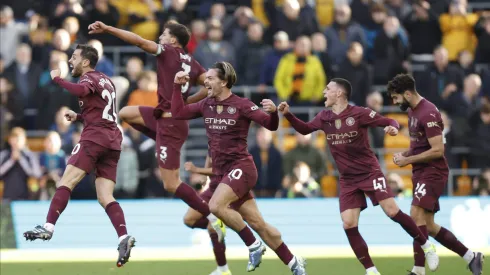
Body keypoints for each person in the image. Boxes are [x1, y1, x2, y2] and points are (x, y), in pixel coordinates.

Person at [278, 78, 439, 275]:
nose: (323, 92)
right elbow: (304, 129)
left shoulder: (359, 113)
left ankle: (426, 245)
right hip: (348, 179)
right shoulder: (324, 117)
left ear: (339, 93)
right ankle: (371, 270)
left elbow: (388, 120)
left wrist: (394, 127)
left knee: (391, 211)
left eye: (327, 89)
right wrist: (288, 114)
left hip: (369, 172)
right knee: (348, 223)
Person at [87, 21, 226, 239]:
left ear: (173, 40)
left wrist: (109, 29)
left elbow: (140, 41)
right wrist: (189, 100)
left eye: (164, 34)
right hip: (163, 118)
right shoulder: (191, 62)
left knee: (171, 184)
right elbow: (210, 85)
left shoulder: (167, 51)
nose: (160, 37)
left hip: (171, 124)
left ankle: (211, 215)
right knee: (124, 113)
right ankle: (158, 141)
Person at [171, 62, 307, 275]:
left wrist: (272, 113)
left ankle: (252, 245)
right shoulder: (206, 104)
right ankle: (294, 263)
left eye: (210, 78)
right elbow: (178, 112)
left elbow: (270, 126)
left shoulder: (242, 105)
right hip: (221, 175)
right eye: (205, 78)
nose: (205, 81)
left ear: (224, 82)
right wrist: (176, 87)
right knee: (258, 224)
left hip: (241, 168)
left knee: (216, 206)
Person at [23, 44, 135, 267]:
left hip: (94, 138)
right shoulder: (107, 80)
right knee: (105, 196)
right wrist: (80, 115)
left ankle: (47, 227)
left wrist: (57, 79)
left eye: (74, 57)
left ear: (86, 62)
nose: (71, 61)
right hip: (113, 141)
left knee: (66, 181)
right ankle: (123, 237)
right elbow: (103, 112)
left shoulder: (88, 78)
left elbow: (81, 91)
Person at [387, 74, 484, 275]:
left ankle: (418, 270)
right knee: (428, 225)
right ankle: (471, 257)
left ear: (407, 93)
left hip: (433, 171)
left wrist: (407, 160)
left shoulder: (428, 112)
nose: (395, 102)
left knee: (415, 216)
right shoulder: (413, 111)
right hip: (421, 171)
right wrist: (405, 154)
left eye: (396, 98)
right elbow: (420, 144)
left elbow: (438, 150)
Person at [184, 155, 231, 275]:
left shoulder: (230, 141)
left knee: (212, 227)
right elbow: (210, 156)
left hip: (228, 188)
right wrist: (205, 175)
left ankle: (223, 270)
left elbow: (222, 169)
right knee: (188, 219)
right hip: (212, 188)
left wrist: (197, 170)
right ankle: (220, 223)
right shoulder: (213, 137)